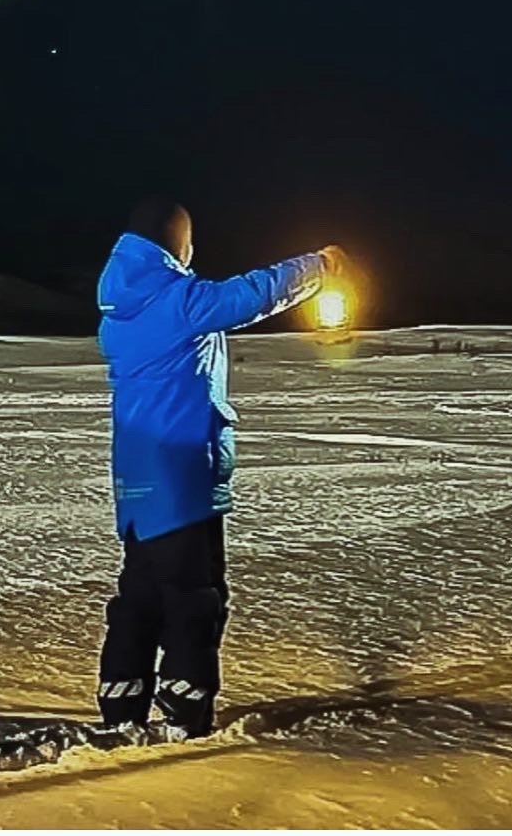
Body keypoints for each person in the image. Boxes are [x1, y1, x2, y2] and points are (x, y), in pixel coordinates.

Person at [95, 197, 347, 740]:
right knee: (193, 594)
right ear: (174, 244)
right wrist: (319, 266)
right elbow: (251, 295)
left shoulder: (119, 311)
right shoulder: (176, 301)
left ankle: (122, 700)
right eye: (187, 241)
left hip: (137, 484)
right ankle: (186, 706)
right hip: (182, 476)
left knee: (140, 593)